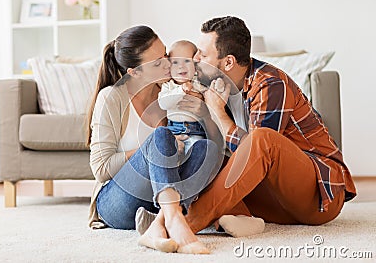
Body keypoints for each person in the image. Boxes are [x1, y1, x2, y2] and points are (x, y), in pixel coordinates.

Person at [180, 16, 357, 235]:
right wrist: (203, 110)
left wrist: (217, 111)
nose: (195, 58)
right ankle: (241, 219)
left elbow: (256, 155)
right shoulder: (214, 87)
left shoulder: (270, 83)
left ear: (228, 62)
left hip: (317, 196)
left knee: (263, 139)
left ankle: (185, 224)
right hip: (276, 203)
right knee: (206, 151)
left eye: (202, 54)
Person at [86, 25, 223, 254]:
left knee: (206, 147)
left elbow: (217, 150)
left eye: (165, 55)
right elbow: (101, 169)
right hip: (117, 204)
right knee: (161, 137)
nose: (169, 64)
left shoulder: (172, 93)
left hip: (156, 204)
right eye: (158, 62)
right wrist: (151, 150)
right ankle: (175, 221)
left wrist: (204, 114)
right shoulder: (111, 97)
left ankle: (159, 224)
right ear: (135, 72)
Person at [158, 40, 212, 153]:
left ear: (196, 65)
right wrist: (180, 90)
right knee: (168, 152)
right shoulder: (169, 86)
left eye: (187, 61)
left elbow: (211, 100)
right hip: (173, 130)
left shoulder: (199, 84)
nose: (181, 66)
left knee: (199, 150)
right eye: (175, 62)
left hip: (197, 131)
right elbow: (163, 103)